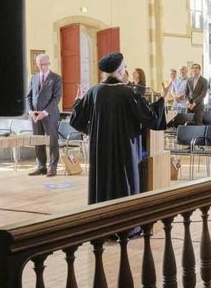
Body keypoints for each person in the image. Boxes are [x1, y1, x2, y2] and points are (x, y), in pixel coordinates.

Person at [70, 52, 165, 204]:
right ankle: (127, 224)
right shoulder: (129, 93)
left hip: (101, 150)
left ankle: (101, 216)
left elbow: (76, 120)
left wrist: (78, 100)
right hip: (125, 150)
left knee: (103, 181)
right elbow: (150, 118)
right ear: (121, 71)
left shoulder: (94, 92)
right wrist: (161, 100)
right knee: (124, 182)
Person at [26, 53, 63, 177]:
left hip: (50, 115)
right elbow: (29, 97)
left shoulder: (56, 78)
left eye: (45, 64)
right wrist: (31, 111)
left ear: (49, 63)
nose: (42, 67)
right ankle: (41, 167)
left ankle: (53, 167)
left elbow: (56, 98)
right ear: (37, 65)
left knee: (53, 141)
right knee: (38, 141)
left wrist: (44, 112)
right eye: (40, 65)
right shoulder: (34, 78)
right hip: (35, 116)